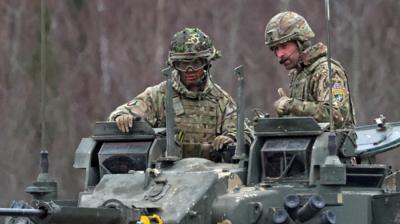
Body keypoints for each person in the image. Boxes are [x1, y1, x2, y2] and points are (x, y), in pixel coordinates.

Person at [109, 27, 253, 159]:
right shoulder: (159, 95)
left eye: (196, 64)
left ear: (207, 64)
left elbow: (245, 133)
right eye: (183, 64)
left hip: (209, 175)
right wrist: (122, 116)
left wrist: (232, 138)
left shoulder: (221, 100)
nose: (189, 70)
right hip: (164, 175)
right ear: (174, 65)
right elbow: (125, 111)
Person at [264, 11, 355, 129]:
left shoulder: (328, 72)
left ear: (300, 42)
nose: (280, 54)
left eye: (284, 46)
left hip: (334, 146)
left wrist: (292, 106)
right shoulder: (300, 73)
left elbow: (337, 115)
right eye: (276, 49)